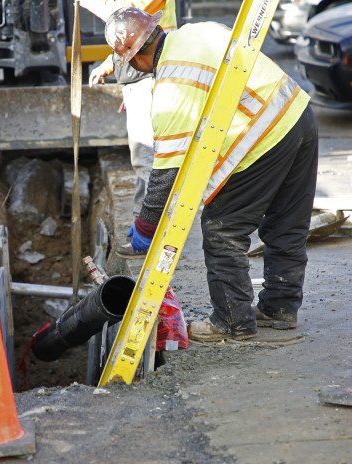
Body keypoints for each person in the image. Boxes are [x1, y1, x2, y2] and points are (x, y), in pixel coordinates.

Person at [104, 7, 319, 341]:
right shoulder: (197, 30)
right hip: (298, 113)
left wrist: (145, 228)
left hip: (264, 138)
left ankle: (232, 323)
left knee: (222, 229)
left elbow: (166, 175)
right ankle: (279, 309)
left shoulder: (171, 88)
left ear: (133, 60)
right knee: (286, 223)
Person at [79, 0, 177, 258]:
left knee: (146, 158)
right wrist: (112, 66)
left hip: (149, 73)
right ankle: (143, 225)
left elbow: (134, 21)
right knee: (143, 160)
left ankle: (150, 235)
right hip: (142, 72)